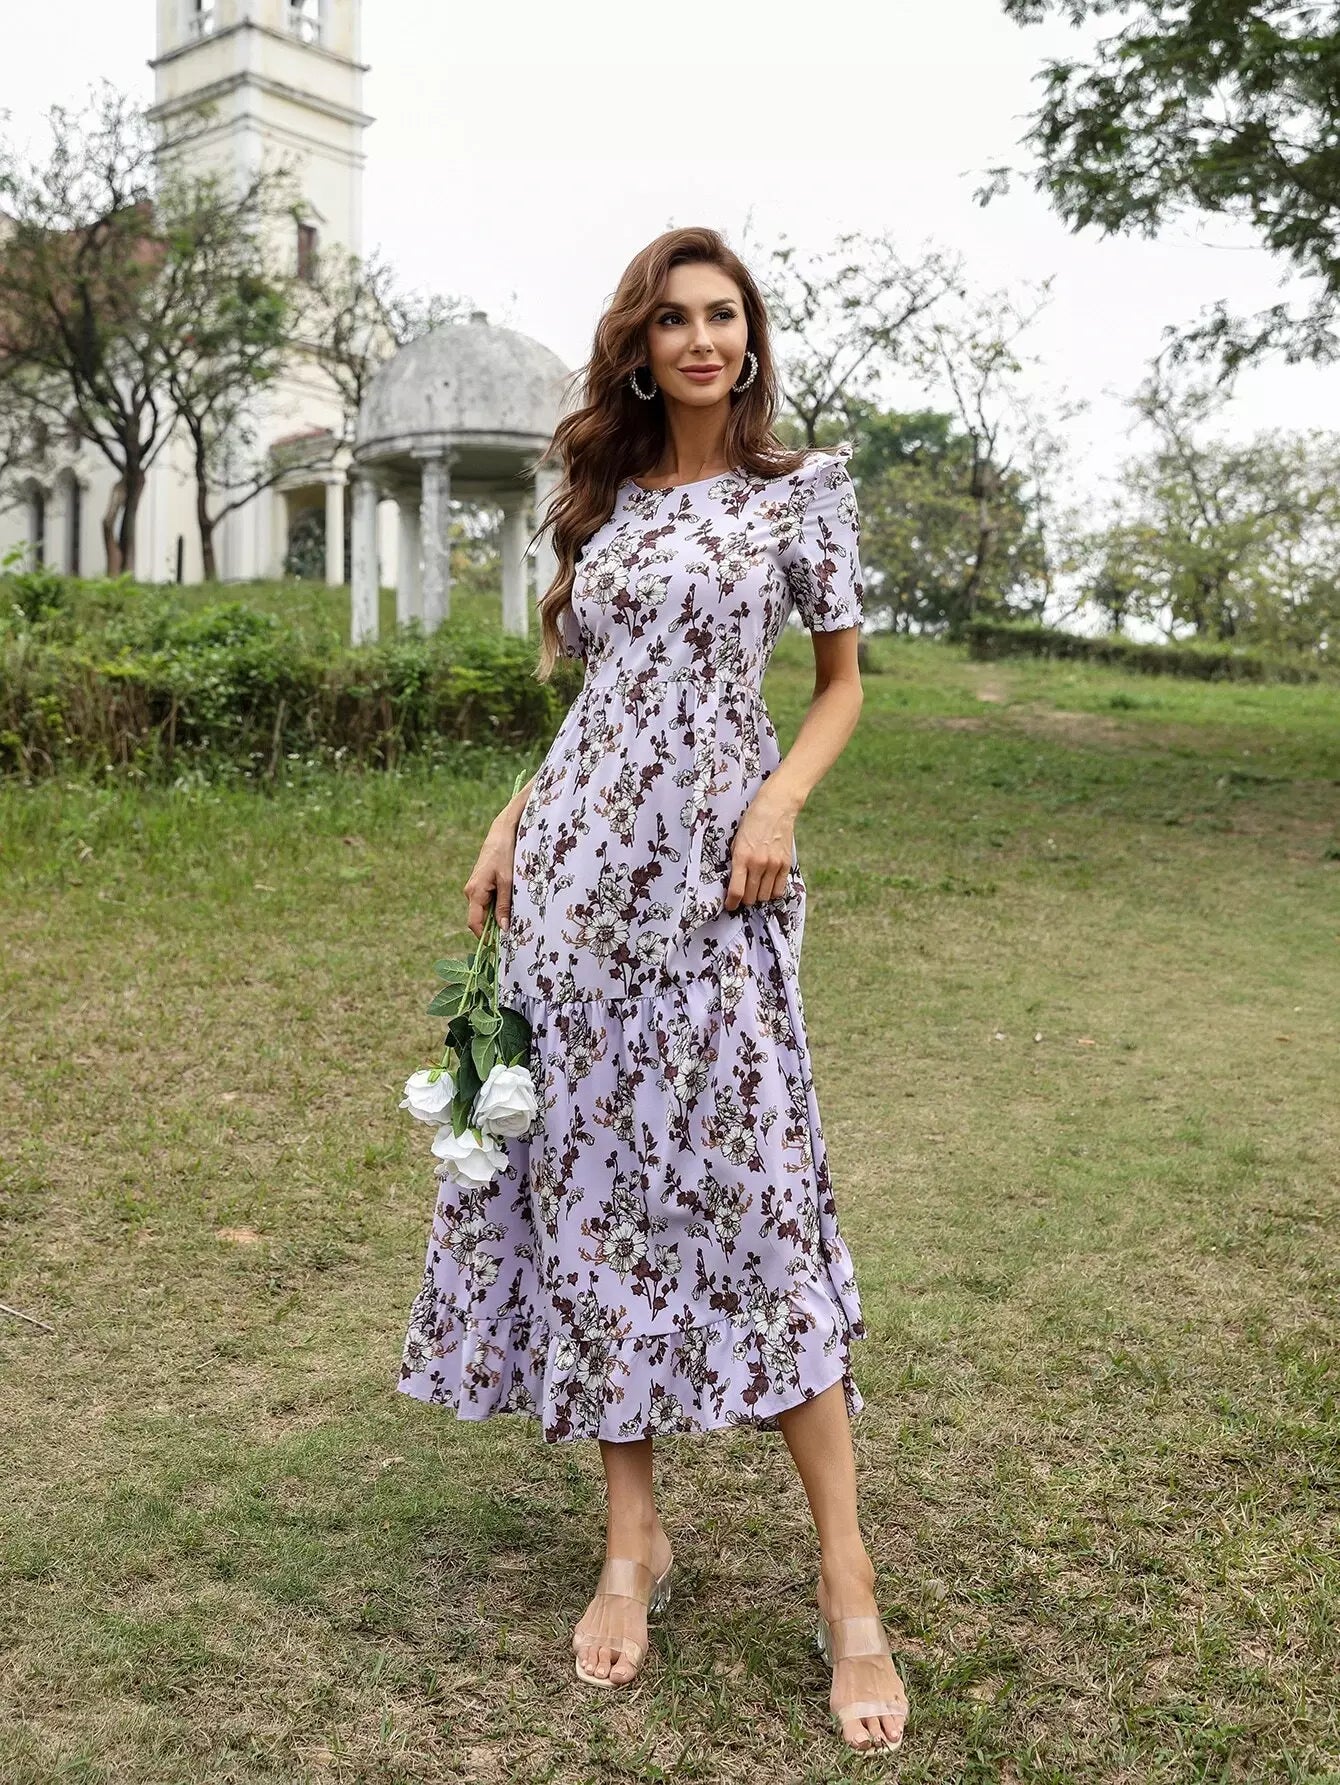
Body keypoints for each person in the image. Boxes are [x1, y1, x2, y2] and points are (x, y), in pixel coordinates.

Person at [398, 226, 907, 1755]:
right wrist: (511, 819)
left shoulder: (796, 493)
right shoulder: (610, 505)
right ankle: (633, 1538)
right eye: (674, 318)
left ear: (750, 339)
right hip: (573, 888)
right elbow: (597, 704)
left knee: (758, 1193)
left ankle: (848, 1576)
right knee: (595, 1191)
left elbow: (841, 684)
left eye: (724, 315)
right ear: (641, 345)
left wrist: (779, 803)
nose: (701, 339)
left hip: (718, 882)